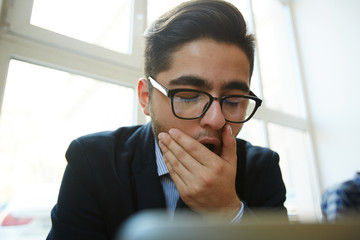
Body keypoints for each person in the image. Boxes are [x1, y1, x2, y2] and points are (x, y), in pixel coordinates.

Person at [47, 1, 287, 239]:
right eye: (189, 96)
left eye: (233, 101)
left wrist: (228, 212)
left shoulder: (262, 169)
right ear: (145, 97)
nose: (215, 120)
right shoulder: (93, 162)